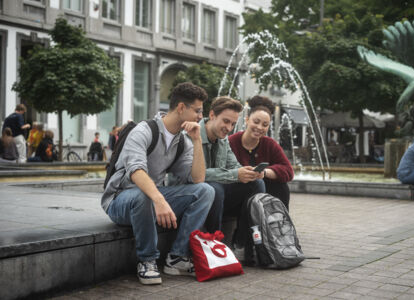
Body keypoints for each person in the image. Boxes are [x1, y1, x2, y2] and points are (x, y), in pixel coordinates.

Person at [101, 82, 214, 285]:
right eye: (197, 111)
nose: (200, 117)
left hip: (151, 198)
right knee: (143, 194)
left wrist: (197, 141)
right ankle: (147, 260)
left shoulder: (183, 141)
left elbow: (197, 179)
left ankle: (177, 257)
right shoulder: (144, 131)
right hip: (120, 201)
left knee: (205, 191)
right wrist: (159, 199)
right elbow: (136, 171)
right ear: (181, 108)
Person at [198, 96, 265, 260]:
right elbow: (197, 175)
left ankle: (242, 242)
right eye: (226, 121)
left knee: (257, 183)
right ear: (212, 115)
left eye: (233, 124)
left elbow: (233, 165)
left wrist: (248, 171)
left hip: (218, 197)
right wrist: (235, 174)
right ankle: (215, 245)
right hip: (195, 192)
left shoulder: (223, 140)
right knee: (215, 188)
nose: (229, 128)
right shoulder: (193, 135)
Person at [229, 96, 294, 209]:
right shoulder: (231, 142)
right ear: (247, 119)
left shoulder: (269, 144)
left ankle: (280, 223)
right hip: (236, 190)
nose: (259, 127)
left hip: (262, 193)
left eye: (265, 125)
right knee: (255, 185)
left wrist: (264, 172)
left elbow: (288, 171)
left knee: (281, 186)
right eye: (256, 122)